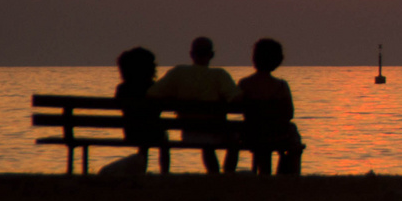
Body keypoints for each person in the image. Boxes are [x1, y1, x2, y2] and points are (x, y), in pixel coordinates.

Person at [149, 36, 238, 173]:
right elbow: (236, 99)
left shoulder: (178, 73)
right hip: (215, 132)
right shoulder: (220, 75)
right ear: (212, 55)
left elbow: (152, 93)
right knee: (235, 137)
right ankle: (227, 174)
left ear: (191, 54)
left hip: (189, 133)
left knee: (207, 141)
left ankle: (215, 173)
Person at [233, 37, 302, 176]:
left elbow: (235, 106)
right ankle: (286, 174)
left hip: (252, 134)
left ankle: (264, 173)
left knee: (261, 137)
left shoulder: (245, 84)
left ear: (254, 59)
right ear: (278, 61)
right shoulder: (281, 86)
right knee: (293, 137)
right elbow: (289, 114)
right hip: (278, 135)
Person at [98, 46, 160, 176]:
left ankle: (142, 169)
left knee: (145, 132)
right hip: (154, 133)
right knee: (162, 135)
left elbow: (118, 105)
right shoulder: (154, 88)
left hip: (131, 132)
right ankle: (164, 172)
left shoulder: (122, 89)